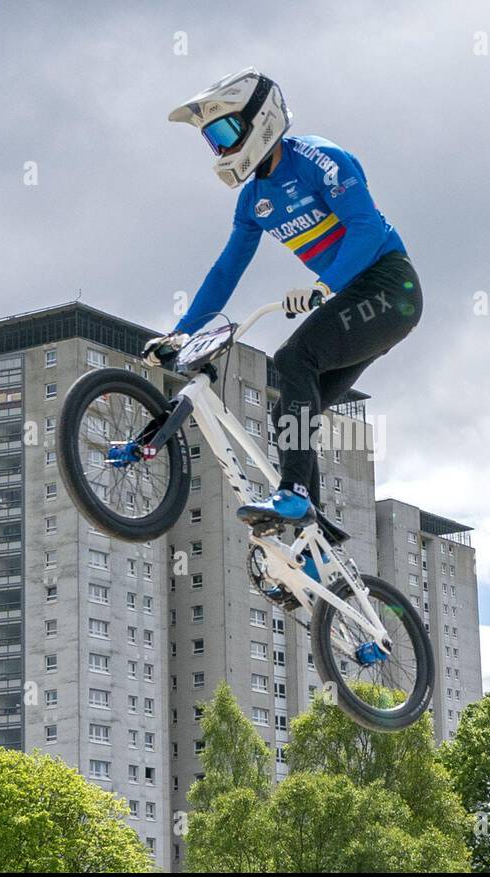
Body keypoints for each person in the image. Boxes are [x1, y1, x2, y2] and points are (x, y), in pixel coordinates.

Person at [145, 67, 422, 541]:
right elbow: (226, 270)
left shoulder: (318, 158)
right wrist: (182, 331)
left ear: (262, 119)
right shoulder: (253, 200)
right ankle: (314, 543)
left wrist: (322, 285)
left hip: (389, 288)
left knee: (294, 358)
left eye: (226, 133)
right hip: (352, 294)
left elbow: (367, 228)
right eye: (214, 141)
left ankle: (293, 494)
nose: (223, 149)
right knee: (294, 408)